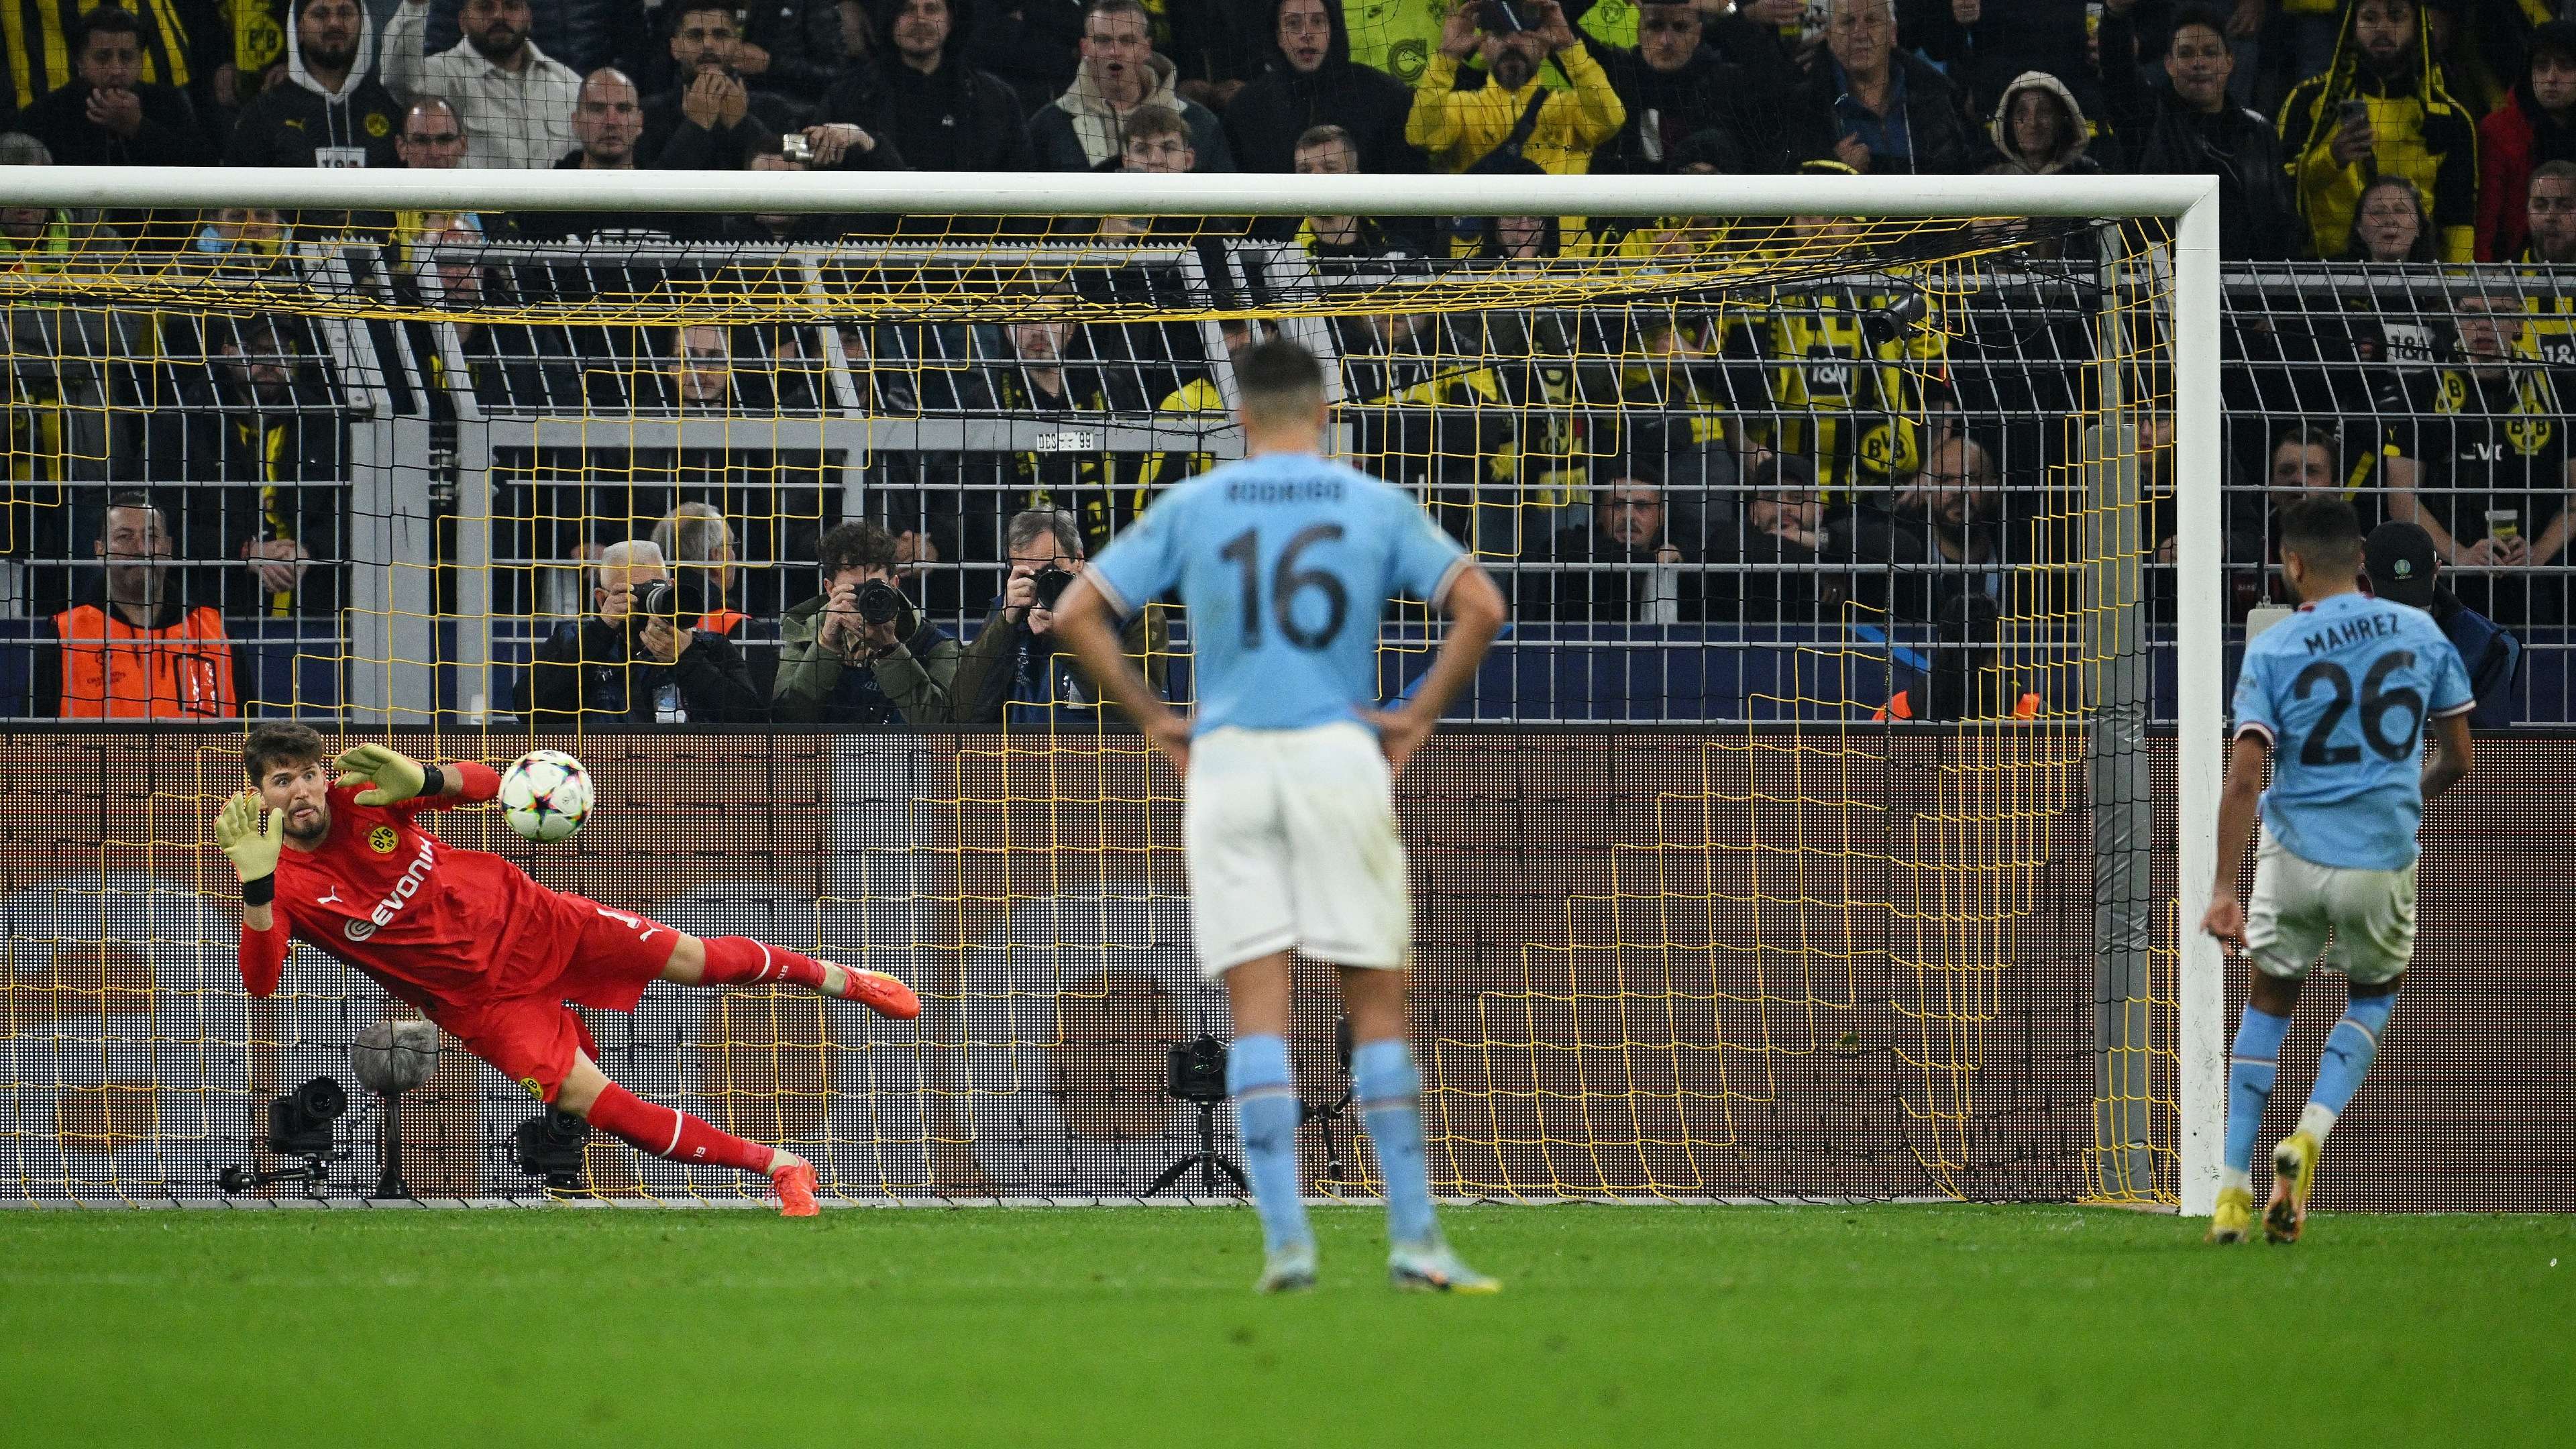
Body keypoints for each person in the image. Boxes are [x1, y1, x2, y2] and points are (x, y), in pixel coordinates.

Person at [1053, 337, 1510, 1295]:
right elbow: (1481, 604)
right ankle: (1416, 1240)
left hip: (1227, 764)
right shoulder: (1369, 501)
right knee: (1376, 1008)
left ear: (1244, 420)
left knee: (1258, 1011)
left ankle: (1287, 1244)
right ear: (1328, 415)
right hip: (1335, 756)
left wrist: (1154, 719)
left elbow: (1073, 614)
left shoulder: (1196, 504)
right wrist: (1418, 713)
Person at [210, 724, 922, 1217]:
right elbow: (262, 982)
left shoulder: (359, 796)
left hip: (537, 920)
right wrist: (256, 887)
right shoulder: (273, 875)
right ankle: (780, 1168)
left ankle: (839, 978)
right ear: (257, 794)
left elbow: (496, 787)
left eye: (307, 773)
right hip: (482, 1003)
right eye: (281, 781)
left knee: (696, 960)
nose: (301, 791)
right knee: (600, 1105)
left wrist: (427, 775)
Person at [2200, 496, 2473, 1246]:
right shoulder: (2421, 633)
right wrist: (2394, 796)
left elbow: (2244, 780)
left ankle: (2231, 1186)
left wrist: (2224, 890)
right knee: (2374, 994)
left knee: (2269, 1001)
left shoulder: (2276, 648)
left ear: (2290, 565)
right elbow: (2459, 758)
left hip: (2290, 853)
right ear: (2360, 560)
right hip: (2379, 858)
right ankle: (2311, 1134)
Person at [2379, 289, 2576, 626]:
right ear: (2455, 321)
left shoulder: (2557, 389)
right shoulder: (2422, 390)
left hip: (2535, 580)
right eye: (2470, 313)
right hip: (2448, 578)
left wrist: (2538, 553)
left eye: (2498, 313)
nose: (2483, 327)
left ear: (2519, 324)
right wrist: (2460, 555)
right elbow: (2401, 497)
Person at [2276, 0, 2477, 262]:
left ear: (2417, 26)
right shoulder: (2309, 101)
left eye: (2396, 17)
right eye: (2370, 18)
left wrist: (2452, 294)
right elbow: (2277, 194)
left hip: (2418, 283)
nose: (2382, 28)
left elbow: (2459, 220)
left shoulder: (2449, 118)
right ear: (2352, 26)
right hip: (2324, 279)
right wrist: (2331, 159)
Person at [2094, 0, 2294, 260]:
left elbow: (2283, 222)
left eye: (2210, 53)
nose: (2199, 63)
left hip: (2251, 288)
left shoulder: (2260, 131)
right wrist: (2116, 15)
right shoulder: (2147, 119)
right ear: (2168, 64)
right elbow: (2118, 71)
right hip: (2171, 287)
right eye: (2186, 53)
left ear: (2230, 62)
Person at [34, 492, 239, 718]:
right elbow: (32, 743)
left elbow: (253, 741)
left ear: (168, 547)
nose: (141, 549)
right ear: (100, 550)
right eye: (124, 536)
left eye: (151, 536)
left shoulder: (213, 631)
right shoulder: (67, 633)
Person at [519, 538, 766, 723]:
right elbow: (530, 710)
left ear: (671, 587)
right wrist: (601, 632)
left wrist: (687, 659)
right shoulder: (571, 641)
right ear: (602, 598)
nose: (646, 602)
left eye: (655, 589)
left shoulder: (709, 646)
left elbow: (752, 721)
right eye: (631, 592)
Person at [953, 507, 1161, 722]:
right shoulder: (1010, 608)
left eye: (1050, 572)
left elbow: (1141, 717)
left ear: (1078, 561)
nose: (1042, 584)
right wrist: (1005, 621)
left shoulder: (1129, 607)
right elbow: (963, 713)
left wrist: (1069, 640)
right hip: (1020, 753)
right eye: (1029, 575)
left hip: (1100, 752)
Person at [772, 520, 973, 725]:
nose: (864, 600)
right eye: (854, 591)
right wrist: (825, 646)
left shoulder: (934, 645)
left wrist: (890, 650)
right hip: (826, 757)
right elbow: (787, 722)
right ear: (831, 589)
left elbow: (943, 728)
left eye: (874, 588)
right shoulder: (805, 636)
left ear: (894, 584)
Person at [1405, 0, 1625, 176]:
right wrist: (1447, 58)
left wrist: (1569, 47)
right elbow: (1423, 137)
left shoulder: (1569, 110)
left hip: (1559, 233)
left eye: (1523, 33)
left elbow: (1610, 121)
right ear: (1481, 47)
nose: (1511, 42)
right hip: (1485, 234)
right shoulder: (1461, 108)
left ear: (1544, 47)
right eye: (1499, 34)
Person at [811, 0, 1032, 174]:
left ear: (951, 20)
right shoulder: (847, 96)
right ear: (891, 19)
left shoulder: (995, 98)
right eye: (907, 9)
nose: (920, 20)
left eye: (932, 9)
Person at [1028, 0, 1235, 173]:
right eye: (1103, 41)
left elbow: (1228, 211)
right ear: (1085, 48)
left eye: (1128, 41)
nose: (1115, 51)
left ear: (1147, 49)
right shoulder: (1048, 126)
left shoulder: (1199, 121)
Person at [1776, 0, 1972, 174]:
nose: (1860, 34)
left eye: (1872, 20)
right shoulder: (1801, 108)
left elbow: (1969, 167)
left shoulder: (1939, 96)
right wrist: (1835, 168)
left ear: (1893, 34)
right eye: (1847, 22)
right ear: (1829, 38)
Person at [1224, 0, 1417, 176]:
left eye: (1317, 21)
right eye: (1293, 23)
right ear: (1278, 37)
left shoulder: (1384, 96)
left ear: (1333, 30)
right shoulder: (1247, 108)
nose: (1306, 34)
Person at [380, 0, 580, 170]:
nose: (499, 15)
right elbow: (398, 79)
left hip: (557, 210)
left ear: (528, 18)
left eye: (511, 6)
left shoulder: (568, 84)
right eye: (485, 7)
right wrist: (415, 5)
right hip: (478, 211)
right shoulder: (442, 74)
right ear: (463, 21)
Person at [14, 5, 217, 169]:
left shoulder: (167, 102)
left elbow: (205, 165)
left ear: (140, 60)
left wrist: (138, 127)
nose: (116, 70)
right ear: (80, 63)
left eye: (126, 57)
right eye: (103, 58)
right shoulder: (46, 114)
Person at [2364, 519, 2520, 729]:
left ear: (2437, 570)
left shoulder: (2486, 645)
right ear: (2365, 575)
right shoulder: (2343, 638)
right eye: (2395, 602)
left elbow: (2488, 747)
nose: (2406, 614)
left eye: (2415, 600)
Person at [1592, 0, 1766, 178]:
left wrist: (1729, 12)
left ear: (1698, 34)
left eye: (1680, 27)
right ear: (1639, 32)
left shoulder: (1727, 82)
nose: (1666, 41)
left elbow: (1777, 90)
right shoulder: (1615, 77)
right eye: (1655, 26)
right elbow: (1566, 33)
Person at [222, 0, 402, 169]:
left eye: (345, 13)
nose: (334, 23)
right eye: (320, 14)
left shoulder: (389, 109)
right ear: (298, 30)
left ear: (363, 25)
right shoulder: (262, 114)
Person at [1523, 469, 1699, 623]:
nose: (1629, 517)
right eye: (1618, 505)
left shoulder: (1679, 561)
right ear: (1599, 513)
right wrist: (1650, 561)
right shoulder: (1569, 545)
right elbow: (1557, 548)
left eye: (1642, 506)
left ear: (1661, 517)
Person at [2474, 20, 2576, 262]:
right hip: (2516, 271)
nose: (2551, 78)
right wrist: (2483, 286)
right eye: (2541, 66)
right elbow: (2486, 222)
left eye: (2565, 66)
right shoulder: (2498, 131)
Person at [1984, 70, 2096, 176]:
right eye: (2022, 113)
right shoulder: (1990, 178)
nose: (2033, 123)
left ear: (2061, 120)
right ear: (2009, 122)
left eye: (2044, 112)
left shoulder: (2086, 172)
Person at [2339, 173, 2437, 262]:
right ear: (2360, 228)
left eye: (2400, 211)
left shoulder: (2439, 279)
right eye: (2377, 212)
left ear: (2419, 226)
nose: (2390, 220)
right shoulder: (2330, 275)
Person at [2519, 158, 2576, 263]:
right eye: (2540, 206)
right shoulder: (2504, 275)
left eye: (2565, 206)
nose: (2550, 217)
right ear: (2527, 212)